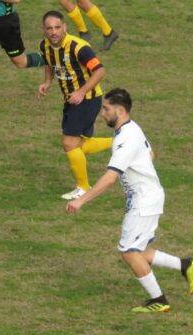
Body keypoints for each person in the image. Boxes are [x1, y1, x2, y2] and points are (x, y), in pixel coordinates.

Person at [65, 88, 193, 312]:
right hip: (146, 196)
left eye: (106, 109)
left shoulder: (125, 138)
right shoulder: (131, 128)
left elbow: (109, 178)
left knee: (128, 252)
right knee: (136, 249)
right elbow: (150, 155)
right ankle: (185, 265)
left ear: (120, 110)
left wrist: (81, 200)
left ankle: (159, 301)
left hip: (144, 200)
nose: (102, 114)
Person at [38, 10, 113, 200]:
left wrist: (81, 92)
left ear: (64, 27)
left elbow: (100, 70)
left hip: (87, 99)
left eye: (57, 27)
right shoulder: (45, 46)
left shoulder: (79, 47)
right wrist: (47, 82)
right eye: (49, 28)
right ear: (43, 30)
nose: (53, 32)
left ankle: (83, 188)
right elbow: (49, 63)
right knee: (79, 145)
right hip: (71, 100)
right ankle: (121, 142)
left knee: (69, 143)